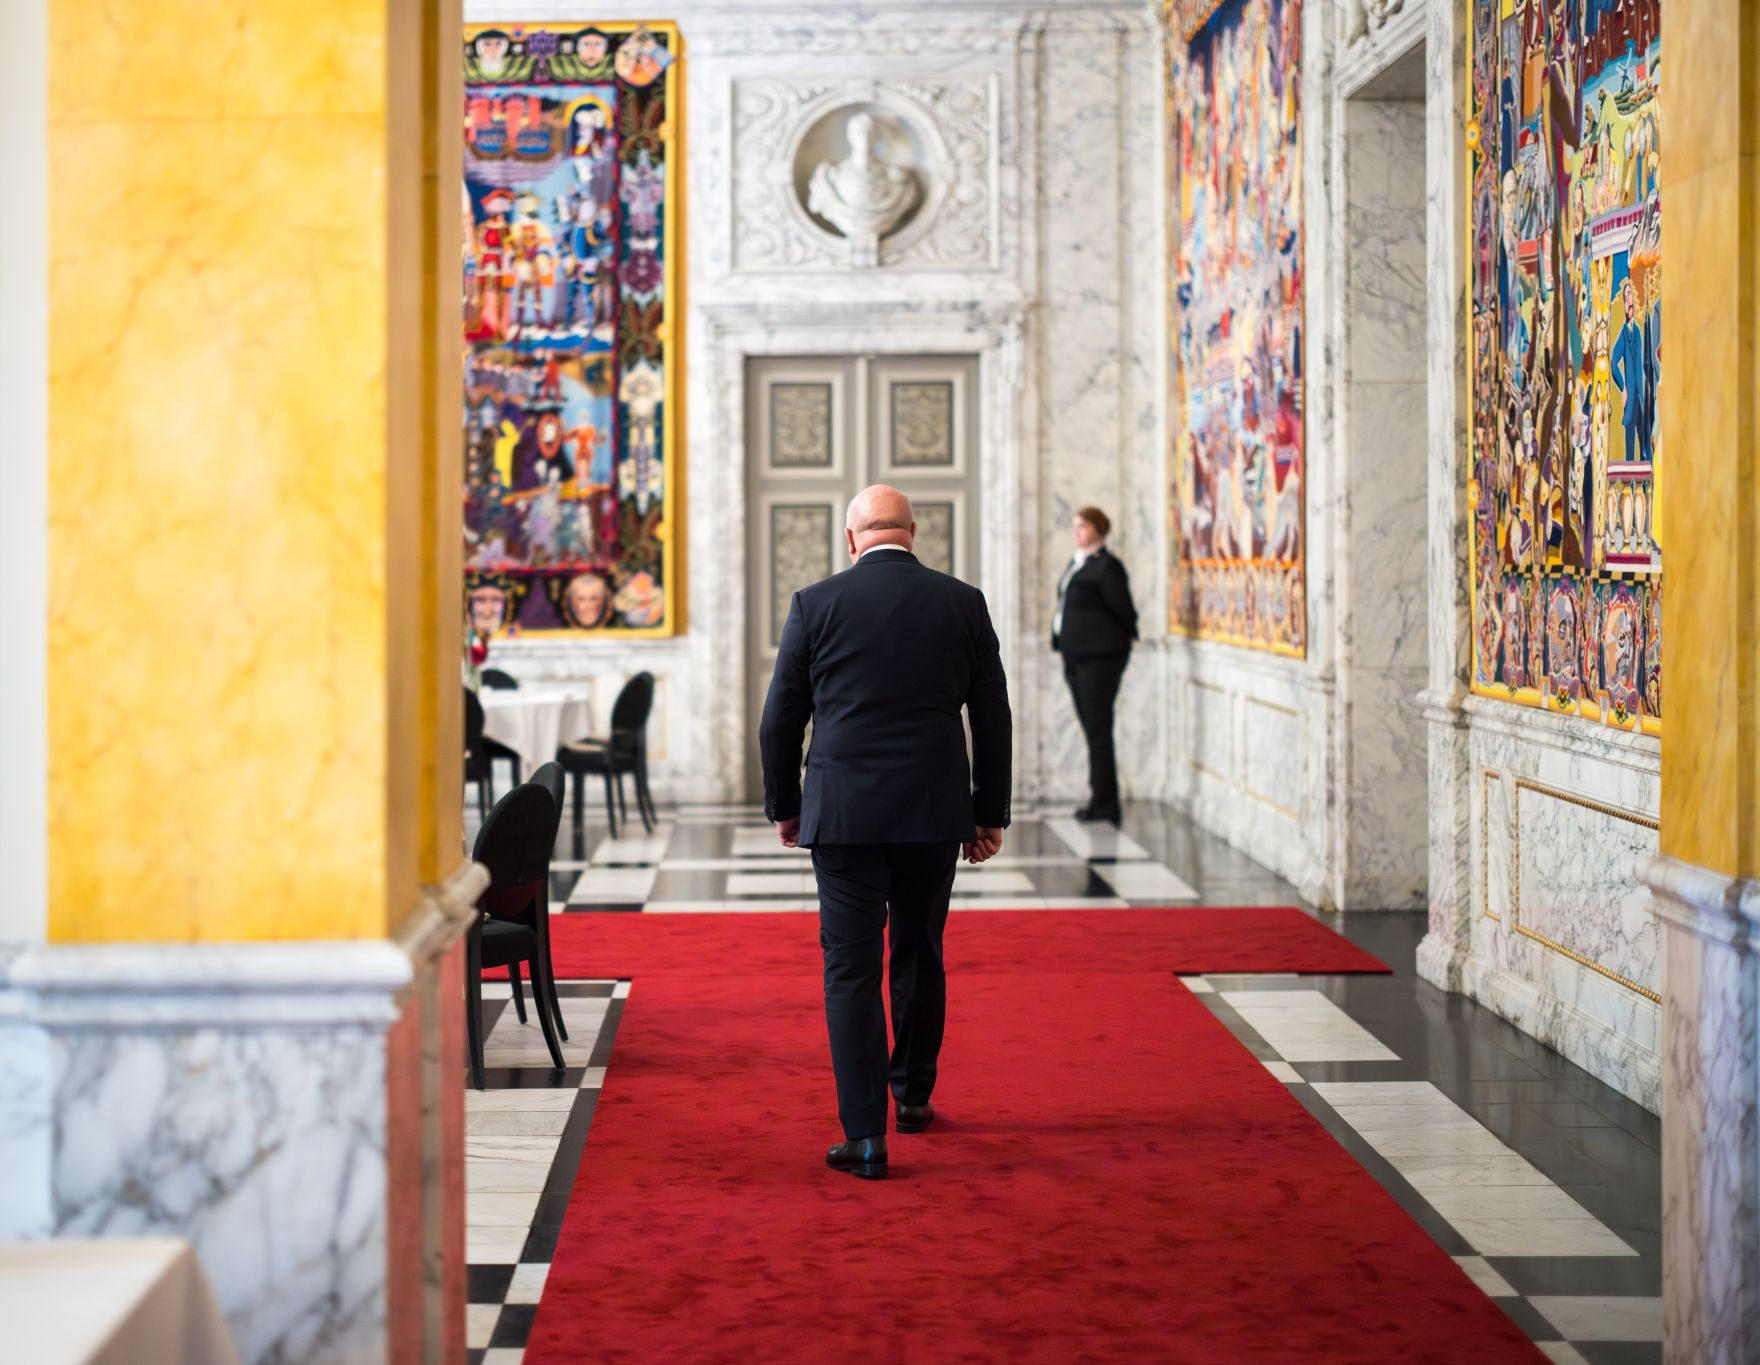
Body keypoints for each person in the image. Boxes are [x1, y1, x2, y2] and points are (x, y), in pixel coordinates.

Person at [759, 485, 1012, 1181]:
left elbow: (780, 717)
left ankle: (865, 1134)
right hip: (933, 813)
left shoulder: (816, 603)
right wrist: (988, 810)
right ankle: (915, 1095)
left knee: (850, 968)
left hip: (843, 815)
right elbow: (992, 714)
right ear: (913, 531)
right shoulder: (963, 601)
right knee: (920, 950)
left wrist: (786, 804)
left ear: (852, 539)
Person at [1051, 506, 1138, 824]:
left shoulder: (1107, 567)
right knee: (1092, 730)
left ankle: (1106, 803)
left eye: (1083, 527)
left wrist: (1116, 642)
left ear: (1099, 529)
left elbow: (1125, 612)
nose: (1077, 532)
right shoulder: (1077, 563)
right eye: (1074, 527)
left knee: (1098, 730)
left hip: (1099, 660)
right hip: (1075, 656)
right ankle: (1099, 797)